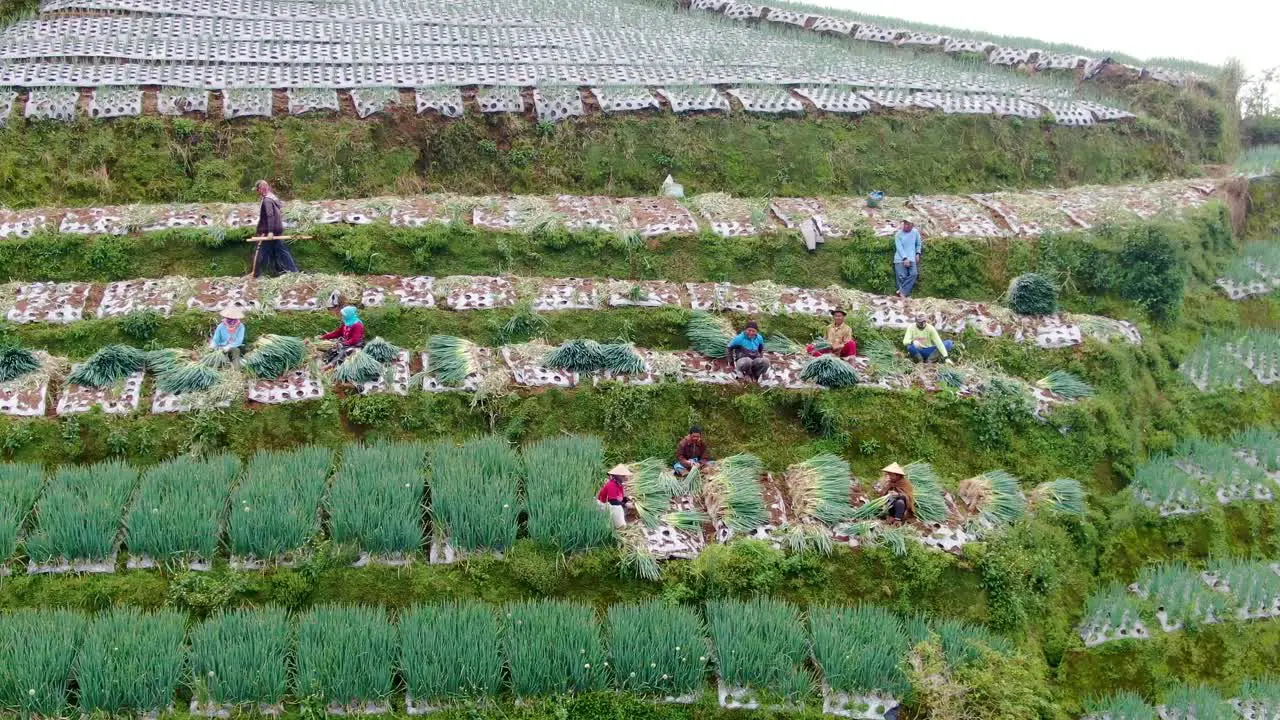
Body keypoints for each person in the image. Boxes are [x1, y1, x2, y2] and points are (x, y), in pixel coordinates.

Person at [254, 180, 298, 277]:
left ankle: (256, 275)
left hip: (269, 231)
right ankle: (290, 271)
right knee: (280, 251)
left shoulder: (267, 201)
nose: (257, 192)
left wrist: (270, 231)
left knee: (260, 252)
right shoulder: (273, 198)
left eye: (257, 190)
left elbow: (270, 216)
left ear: (261, 189)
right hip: (277, 229)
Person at [893, 219, 922, 298]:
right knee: (901, 276)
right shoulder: (898, 234)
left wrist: (918, 253)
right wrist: (905, 258)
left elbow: (918, 244)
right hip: (900, 258)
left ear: (912, 225)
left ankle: (901, 292)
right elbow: (899, 248)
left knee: (914, 274)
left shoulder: (915, 232)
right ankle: (902, 296)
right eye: (905, 223)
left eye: (908, 224)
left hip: (911, 258)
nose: (906, 226)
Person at [597, 464, 632, 528]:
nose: (625, 477)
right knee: (618, 508)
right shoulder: (612, 485)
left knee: (622, 507)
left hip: (610, 504)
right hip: (603, 505)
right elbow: (613, 502)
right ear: (618, 476)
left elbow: (618, 498)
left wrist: (627, 499)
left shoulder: (619, 484)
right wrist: (626, 504)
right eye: (623, 476)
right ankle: (620, 526)